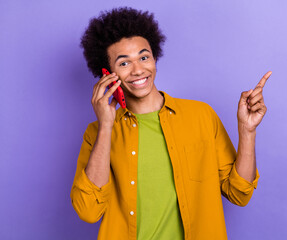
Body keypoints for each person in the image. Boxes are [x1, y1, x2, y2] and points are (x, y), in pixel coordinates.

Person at [70, 7, 271, 240]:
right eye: (124, 63)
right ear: (107, 73)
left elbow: (239, 194)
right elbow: (88, 211)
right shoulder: (96, 133)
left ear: (154, 58)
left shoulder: (201, 116)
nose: (138, 70)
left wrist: (247, 132)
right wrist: (106, 125)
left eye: (144, 57)